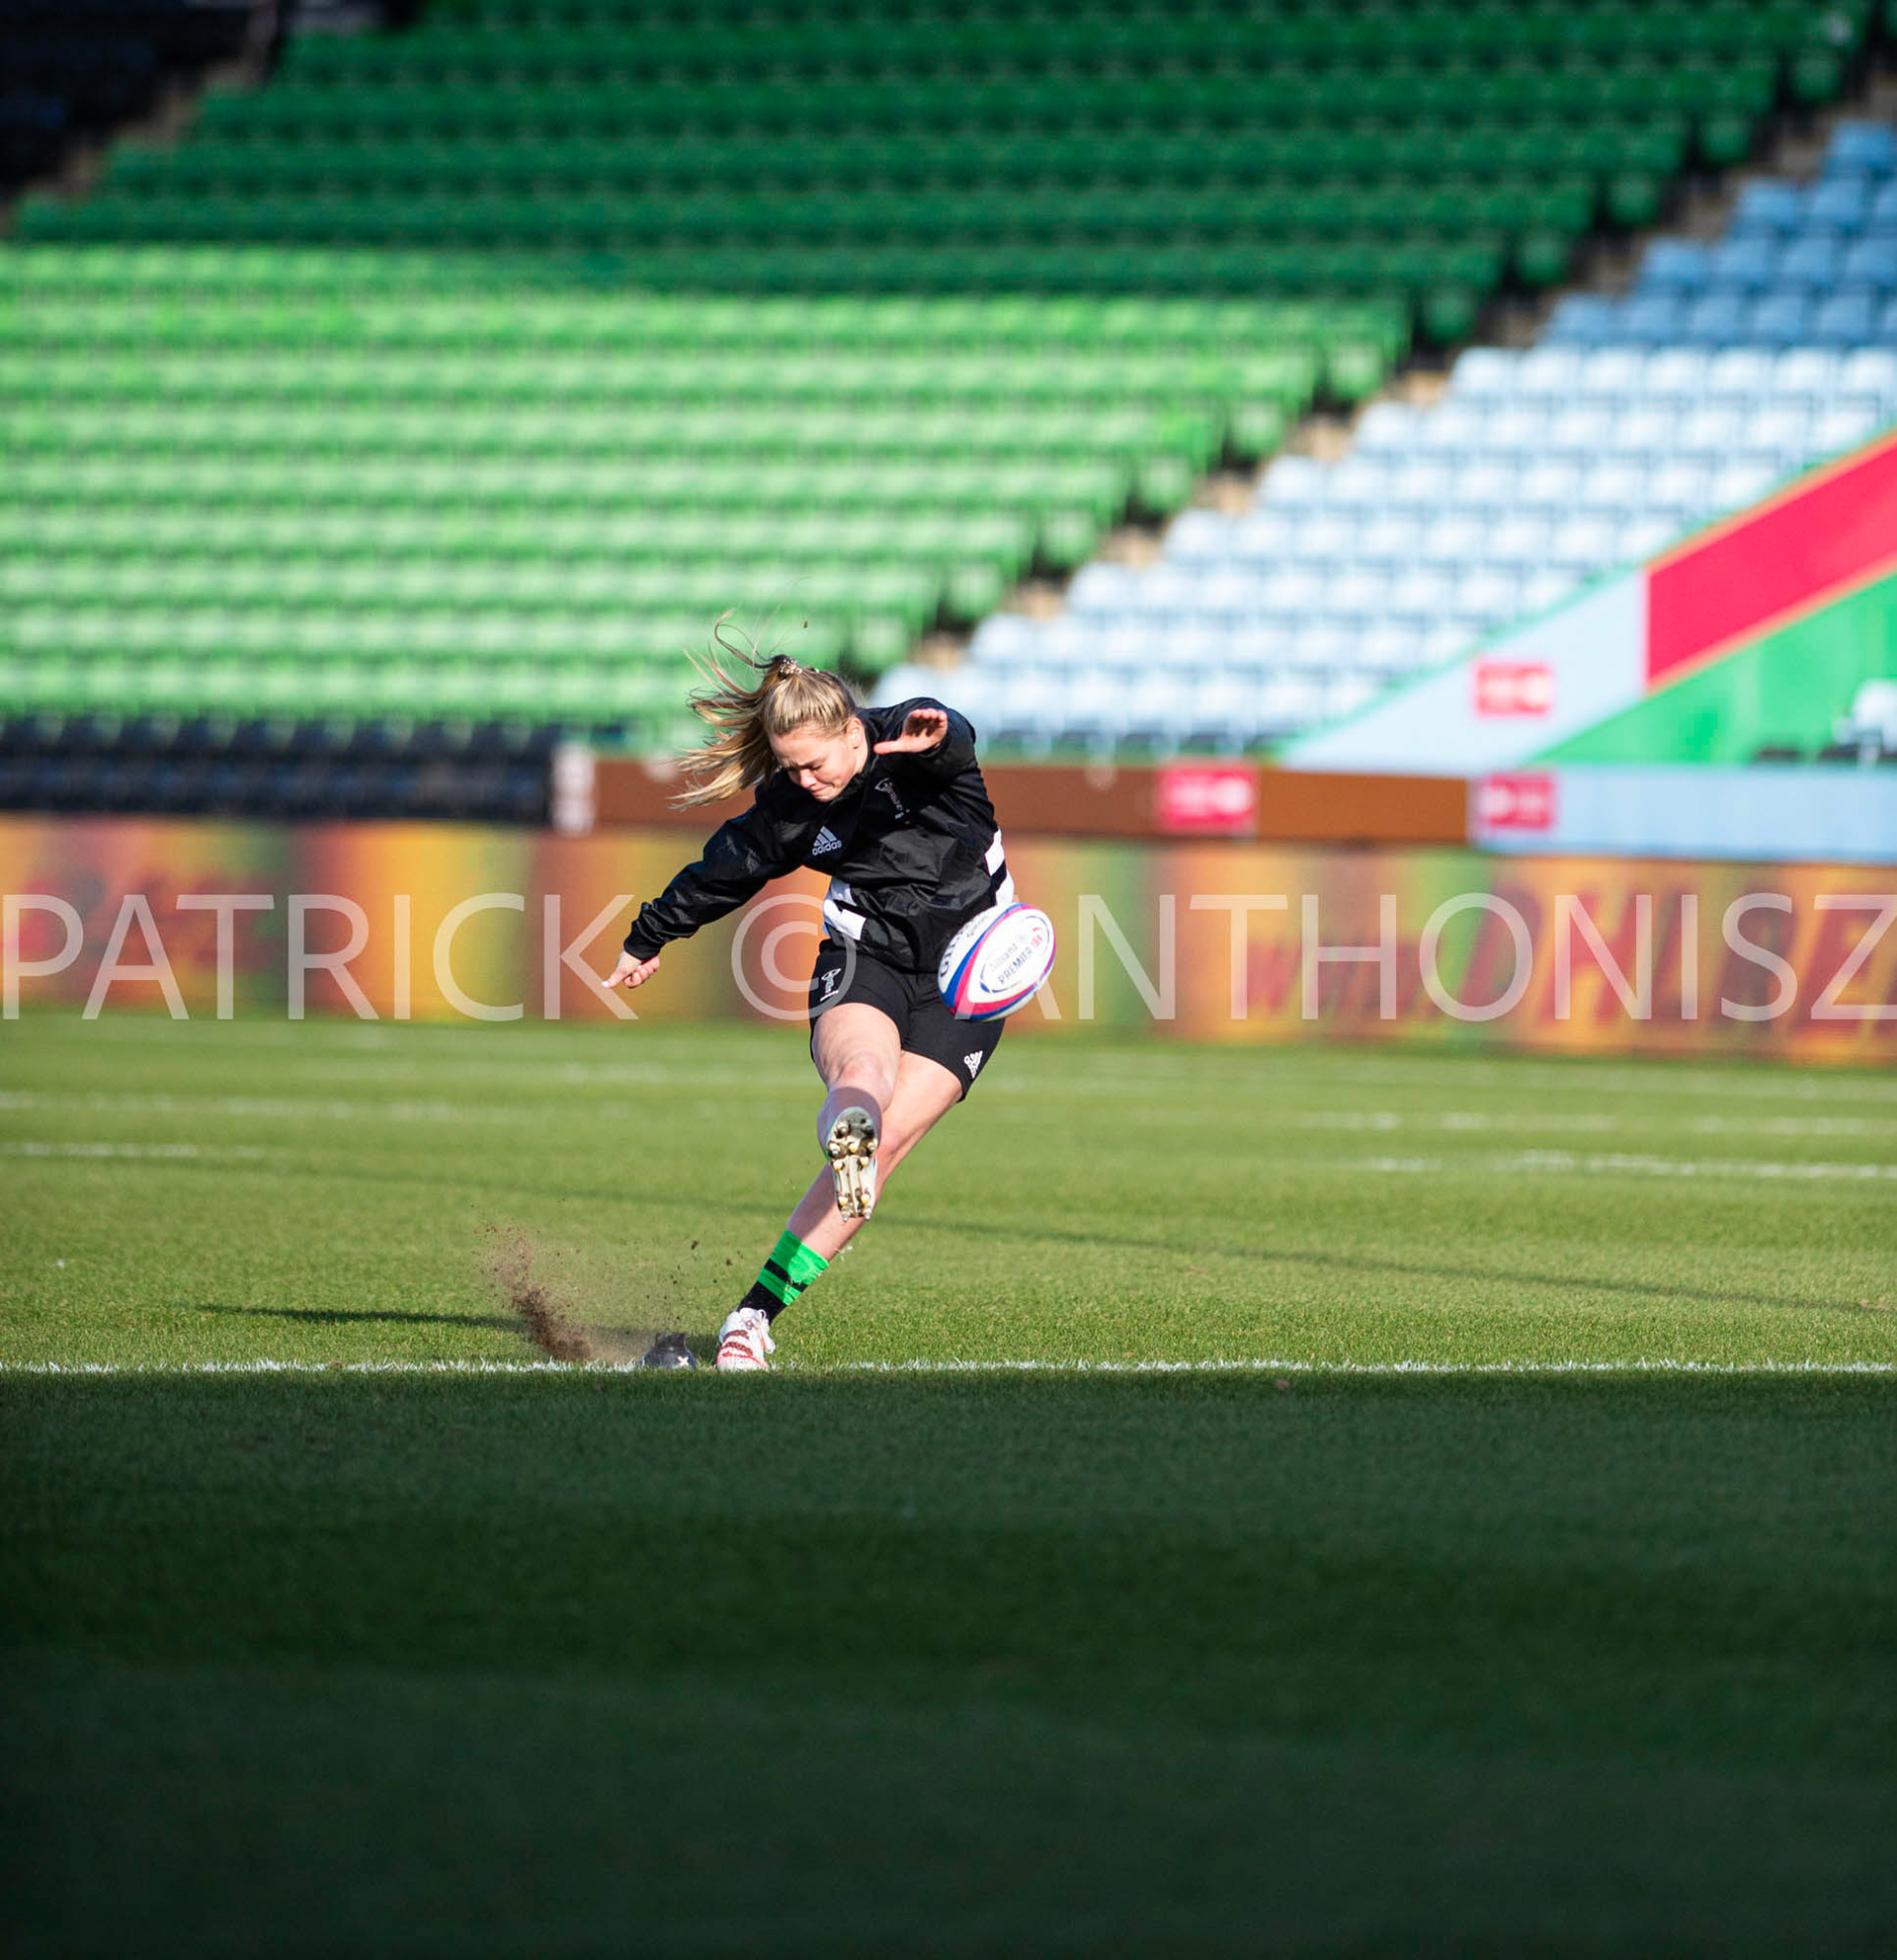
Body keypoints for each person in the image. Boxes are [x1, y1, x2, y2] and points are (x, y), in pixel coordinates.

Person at [603, 631, 1016, 1371]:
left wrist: (939, 727)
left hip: (969, 975)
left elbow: (949, 736)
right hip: (867, 955)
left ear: (855, 733)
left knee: (884, 1148)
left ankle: (754, 1312)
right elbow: (725, 868)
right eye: (789, 767)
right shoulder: (793, 804)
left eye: (814, 763)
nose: (804, 780)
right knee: (862, 1076)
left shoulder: (916, 752)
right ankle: (755, 1312)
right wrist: (650, 934)